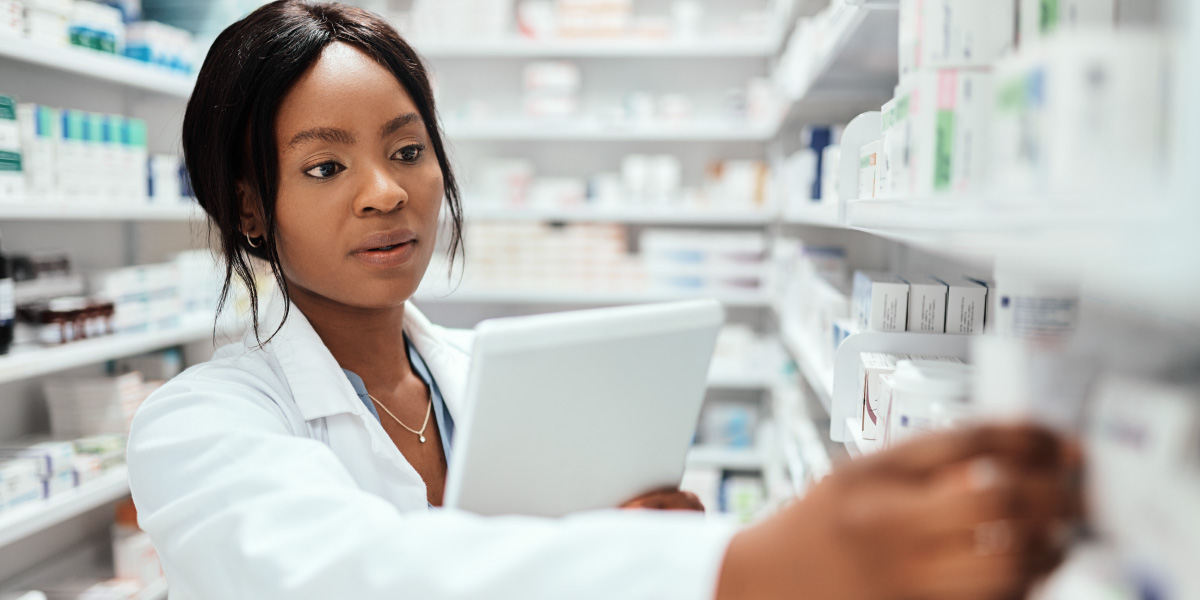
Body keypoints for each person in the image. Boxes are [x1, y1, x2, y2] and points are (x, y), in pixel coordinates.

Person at [126, 2, 1083, 599]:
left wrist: (637, 545)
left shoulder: (480, 380)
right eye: (326, 164)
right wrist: (729, 572)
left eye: (408, 149)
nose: (387, 191)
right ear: (252, 205)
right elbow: (345, 578)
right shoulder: (199, 427)